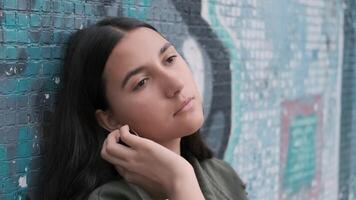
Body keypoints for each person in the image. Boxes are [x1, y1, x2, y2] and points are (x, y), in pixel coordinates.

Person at [40, 17, 247, 200]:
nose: (175, 84)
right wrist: (180, 182)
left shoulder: (222, 175)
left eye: (170, 59)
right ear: (110, 119)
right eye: (142, 82)